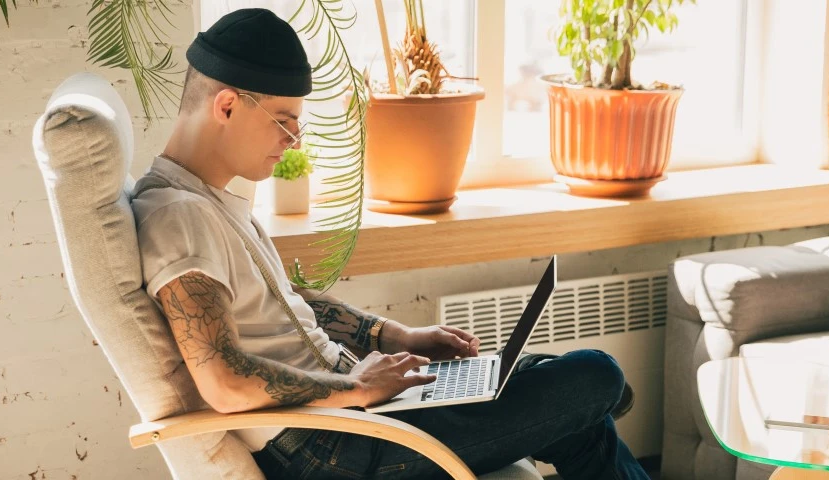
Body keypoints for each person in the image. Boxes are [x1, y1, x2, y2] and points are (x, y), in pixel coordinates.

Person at [131, 8, 641, 479]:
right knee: (596, 376)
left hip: (351, 416)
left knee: (557, 391)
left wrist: (394, 337)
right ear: (226, 106)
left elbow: (290, 306)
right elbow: (222, 381)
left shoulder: (212, 202)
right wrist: (357, 389)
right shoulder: (180, 216)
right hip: (336, 448)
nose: (295, 141)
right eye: (284, 123)